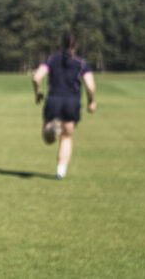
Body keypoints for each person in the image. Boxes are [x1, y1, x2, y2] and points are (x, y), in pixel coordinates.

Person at [32, 30, 96, 180]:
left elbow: (36, 77)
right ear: (76, 45)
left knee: (49, 140)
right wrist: (91, 102)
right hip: (72, 103)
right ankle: (60, 171)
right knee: (66, 137)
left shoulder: (51, 59)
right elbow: (90, 86)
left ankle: (52, 128)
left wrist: (38, 93)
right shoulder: (81, 63)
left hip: (53, 100)